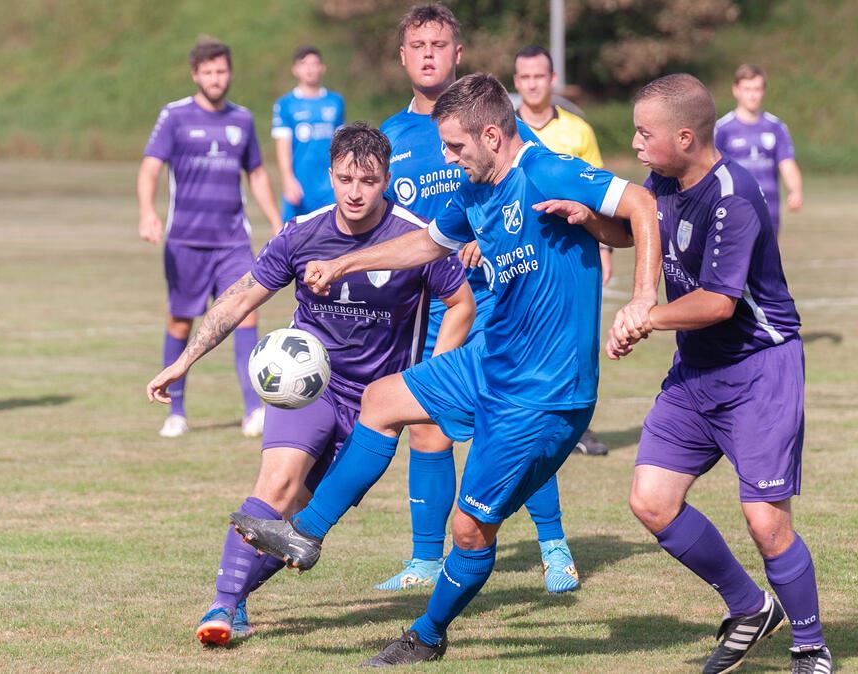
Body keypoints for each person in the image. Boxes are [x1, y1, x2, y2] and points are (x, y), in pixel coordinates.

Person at [232, 73, 660, 666]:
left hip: (543, 392)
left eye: (456, 148)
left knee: (468, 531)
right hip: (491, 362)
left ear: (491, 134)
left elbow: (641, 204)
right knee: (381, 400)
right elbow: (426, 244)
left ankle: (428, 635)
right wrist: (346, 263)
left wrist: (642, 298)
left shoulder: (548, 172)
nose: (450, 159)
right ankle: (306, 534)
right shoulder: (474, 189)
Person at [146, 123, 473, 647]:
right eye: (345, 178)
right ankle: (223, 607)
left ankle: (239, 596)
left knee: (301, 523)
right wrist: (184, 360)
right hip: (310, 385)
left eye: (367, 180)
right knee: (275, 485)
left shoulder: (414, 237)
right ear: (330, 175)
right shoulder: (303, 232)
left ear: (387, 179)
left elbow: (461, 304)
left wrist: (430, 377)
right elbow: (240, 296)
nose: (355, 191)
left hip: (375, 405)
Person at [610, 73, 831, 674]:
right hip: (698, 370)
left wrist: (644, 317)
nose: (634, 142)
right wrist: (579, 216)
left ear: (684, 136)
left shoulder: (735, 194)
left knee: (765, 521)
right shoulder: (665, 176)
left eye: (644, 132)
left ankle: (811, 647)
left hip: (760, 369)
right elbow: (634, 223)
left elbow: (716, 303)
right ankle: (748, 606)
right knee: (652, 501)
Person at [373, 2, 584, 595]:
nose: (429, 54)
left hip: (499, 301)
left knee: (510, 419)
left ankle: (553, 544)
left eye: (440, 44)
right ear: (403, 56)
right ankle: (423, 558)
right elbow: (389, 225)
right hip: (433, 305)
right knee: (424, 425)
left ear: (457, 53)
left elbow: (525, 193)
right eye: (419, 45)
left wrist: (486, 240)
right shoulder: (390, 138)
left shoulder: (489, 120)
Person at [137, 38, 283, 439]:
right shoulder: (175, 116)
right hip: (185, 241)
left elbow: (255, 173)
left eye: (222, 71)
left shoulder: (243, 120)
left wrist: (275, 219)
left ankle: (254, 409)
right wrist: (147, 211)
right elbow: (150, 168)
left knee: (246, 314)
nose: (216, 78)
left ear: (230, 73)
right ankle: (176, 411)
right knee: (181, 322)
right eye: (208, 72)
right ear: (195, 75)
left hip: (233, 240)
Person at [512, 43, 612, 458]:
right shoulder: (506, 129)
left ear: (552, 80)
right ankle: (528, 422)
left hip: (573, 253)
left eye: (540, 76)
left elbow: (599, 193)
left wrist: (605, 248)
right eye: (525, 78)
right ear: (516, 84)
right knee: (522, 339)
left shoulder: (578, 131)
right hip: (520, 254)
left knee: (578, 338)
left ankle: (579, 428)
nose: (533, 84)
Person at [714, 64, 803, 236]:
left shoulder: (776, 127)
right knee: (739, 261)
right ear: (736, 90)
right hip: (735, 208)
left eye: (757, 89)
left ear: (763, 91)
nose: (752, 95)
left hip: (770, 209)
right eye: (747, 89)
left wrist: (795, 191)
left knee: (766, 261)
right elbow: (710, 168)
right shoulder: (723, 129)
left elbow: (787, 163)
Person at [272, 46, 345, 221]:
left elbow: (342, 144)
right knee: (294, 239)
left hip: (329, 185)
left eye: (314, 63)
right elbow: (283, 146)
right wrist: (288, 180)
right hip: (300, 184)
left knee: (333, 237)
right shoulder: (285, 104)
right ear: (295, 70)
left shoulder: (335, 102)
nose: (310, 69)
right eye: (304, 64)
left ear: (322, 68)